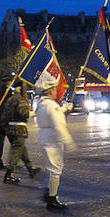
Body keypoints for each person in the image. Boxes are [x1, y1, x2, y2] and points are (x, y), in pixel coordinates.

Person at [35, 79, 76, 210]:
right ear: (51, 91)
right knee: (55, 169)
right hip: (53, 139)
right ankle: (52, 198)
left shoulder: (41, 104)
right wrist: (68, 141)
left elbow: (51, 115)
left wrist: (64, 109)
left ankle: (49, 192)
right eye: (55, 90)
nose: (56, 92)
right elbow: (59, 125)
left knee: (51, 167)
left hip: (44, 136)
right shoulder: (52, 105)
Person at [2, 81, 40, 184]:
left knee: (21, 150)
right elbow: (23, 113)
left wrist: (6, 128)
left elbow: (4, 116)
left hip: (10, 129)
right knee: (16, 152)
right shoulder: (21, 99)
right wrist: (31, 113)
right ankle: (9, 174)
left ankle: (30, 169)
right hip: (19, 129)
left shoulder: (10, 99)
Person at [0, 75, 13, 170]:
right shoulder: (9, 93)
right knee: (14, 143)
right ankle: (13, 162)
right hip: (7, 121)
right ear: (8, 82)